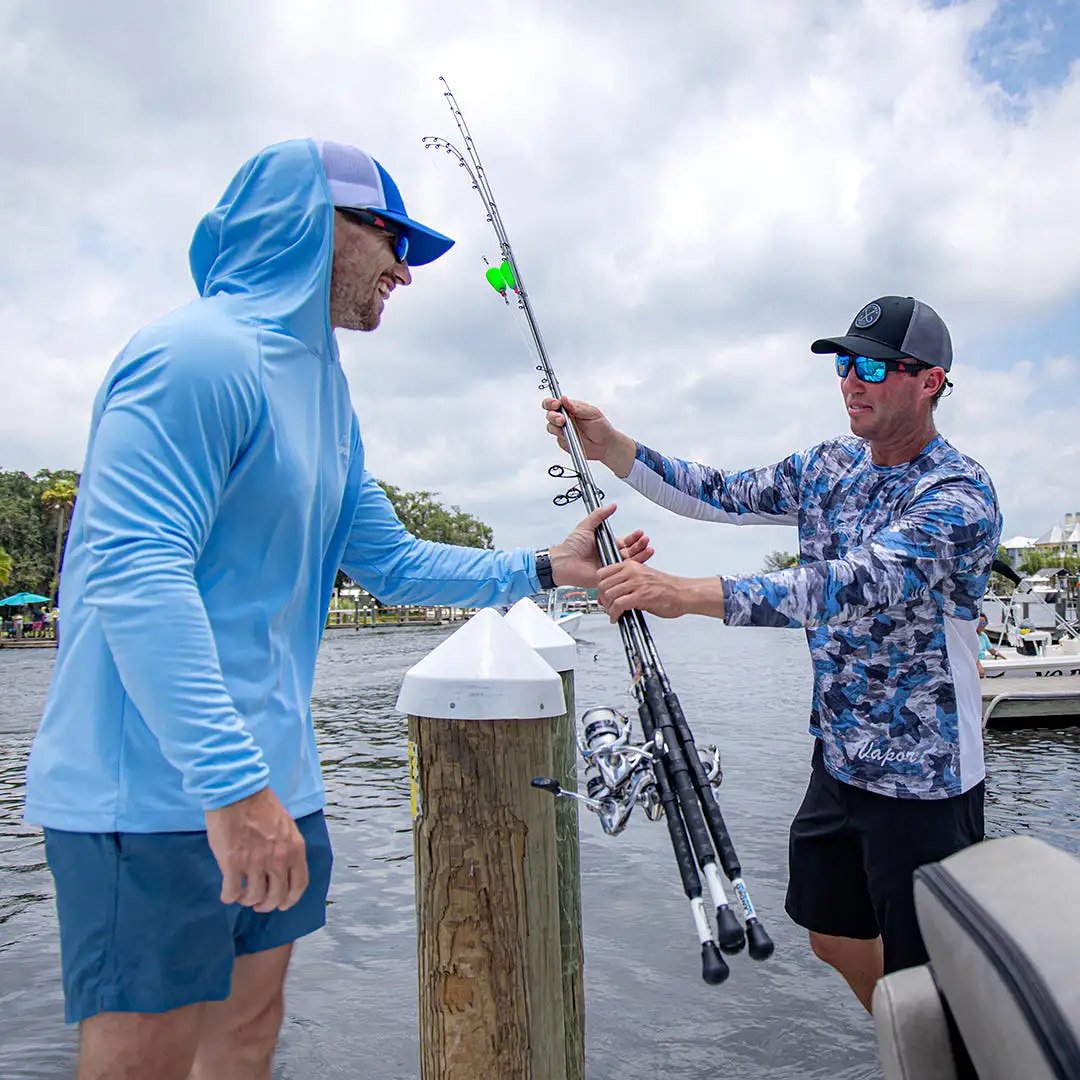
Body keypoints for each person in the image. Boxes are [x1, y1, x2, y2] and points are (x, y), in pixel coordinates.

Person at [24, 139, 652, 1080]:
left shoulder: (325, 394)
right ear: (311, 227)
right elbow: (133, 570)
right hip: (154, 791)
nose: (405, 267)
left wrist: (543, 567)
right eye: (389, 234)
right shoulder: (193, 356)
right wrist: (232, 787)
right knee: (140, 1059)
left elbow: (388, 561)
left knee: (248, 1031)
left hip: (278, 781)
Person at [543, 295, 1002, 1012]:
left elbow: (846, 585)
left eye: (874, 366)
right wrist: (613, 449)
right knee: (832, 932)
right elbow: (720, 493)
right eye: (846, 363)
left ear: (929, 380)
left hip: (925, 778)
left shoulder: (959, 495)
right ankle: (915, 1044)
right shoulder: (828, 465)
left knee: (934, 975)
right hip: (841, 756)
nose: (852, 380)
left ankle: (938, 1044)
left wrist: (681, 592)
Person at [976, 612, 1003, 677]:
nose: (982, 625)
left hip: (983, 659)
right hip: (978, 662)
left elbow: (992, 650)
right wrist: (978, 665)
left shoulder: (983, 635)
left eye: (984, 623)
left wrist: (1004, 659)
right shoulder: (972, 636)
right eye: (980, 623)